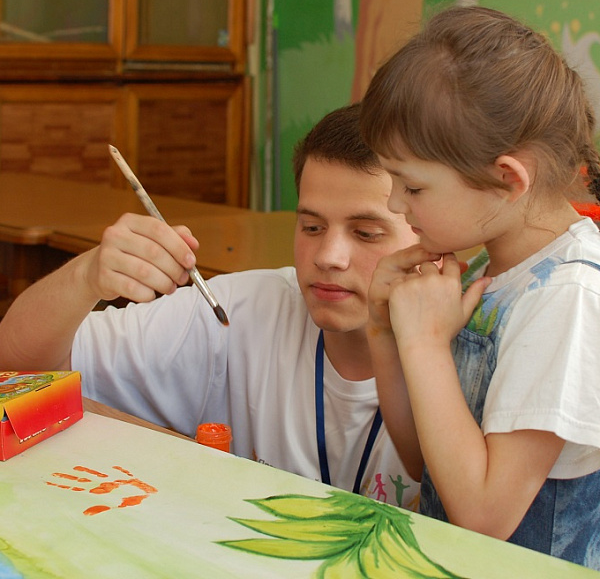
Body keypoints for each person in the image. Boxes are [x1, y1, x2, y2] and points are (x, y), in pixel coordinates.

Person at [0, 104, 420, 509]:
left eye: (365, 233)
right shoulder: (241, 310)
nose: (328, 256)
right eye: (311, 227)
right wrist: (86, 276)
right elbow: (17, 369)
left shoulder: (472, 351)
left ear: (432, 240)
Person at [360, 5, 600, 569]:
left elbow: (485, 516)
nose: (395, 204)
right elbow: (426, 462)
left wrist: (422, 343)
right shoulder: (484, 267)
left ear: (507, 179)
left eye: (412, 185)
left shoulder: (568, 298)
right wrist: (384, 330)